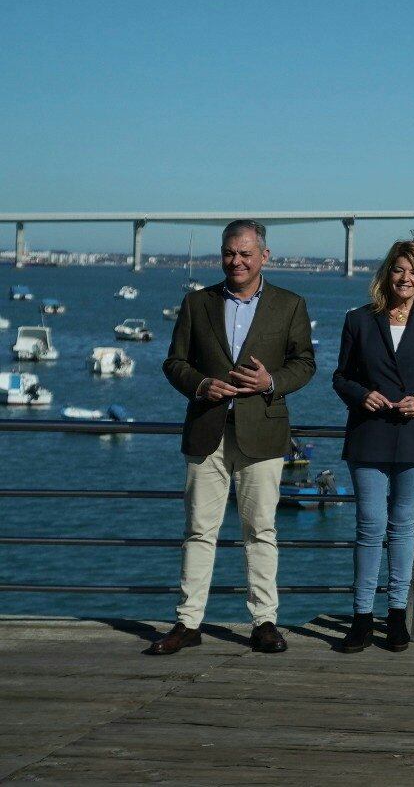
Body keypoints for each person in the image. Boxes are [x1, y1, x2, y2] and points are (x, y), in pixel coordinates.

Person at [147, 220, 316, 656]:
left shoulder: (290, 304)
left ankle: (263, 621)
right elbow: (174, 363)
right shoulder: (196, 302)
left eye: (245, 253)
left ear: (264, 256)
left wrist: (271, 381)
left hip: (263, 432)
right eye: (228, 252)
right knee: (199, 531)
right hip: (207, 431)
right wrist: (200, 385)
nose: (236, 261)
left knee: (260, 530)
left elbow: (306, 364)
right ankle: (188, 622)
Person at [330, 239, 414, 653]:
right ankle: (361, 618)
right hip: (369, 434)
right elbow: (341, 377)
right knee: (369, 527)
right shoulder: (359, 320)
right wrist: (360, 394)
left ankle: (397, 617)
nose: (405, 278)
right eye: (399, 270)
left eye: (413, 271)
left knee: (402, 527)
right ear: (387, 273)